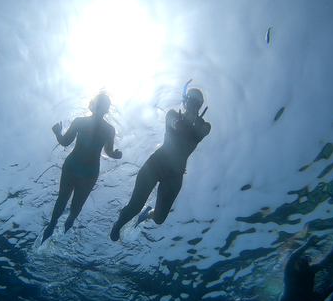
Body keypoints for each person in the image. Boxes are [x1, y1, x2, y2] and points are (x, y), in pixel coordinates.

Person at [110, 84, 211, 241]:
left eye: (196, 102)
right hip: (155, 165)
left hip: (175, 176)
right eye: (190, 100)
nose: (192, 104)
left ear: (200, 105)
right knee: (134, 206)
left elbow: (201, 134)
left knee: (158, 219)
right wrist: (190, 126)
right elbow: (175, 125)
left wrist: (195, 128)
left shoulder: (204, 126)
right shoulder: (172, 115)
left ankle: (147, 214)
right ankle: (118, 225)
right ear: (185, 101)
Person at [42, 93, 122, 244]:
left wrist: (115, 154)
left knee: (72, 203)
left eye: (102, 106)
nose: (100, 108)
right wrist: (58, 133)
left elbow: (108, 151)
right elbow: (67, 142)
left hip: (83, 170)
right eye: (100, 105)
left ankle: (60, 226)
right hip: (80, 169)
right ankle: (54, 225)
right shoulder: (103, 128)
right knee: (66, 201)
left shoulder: (103, 128)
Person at [278, 233, 333, 301]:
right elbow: (292, 258)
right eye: (301, 260)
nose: (303, 261)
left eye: (305, 259)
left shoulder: (310, 270)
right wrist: (307, 244)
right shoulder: (291, 274)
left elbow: (329, 261)